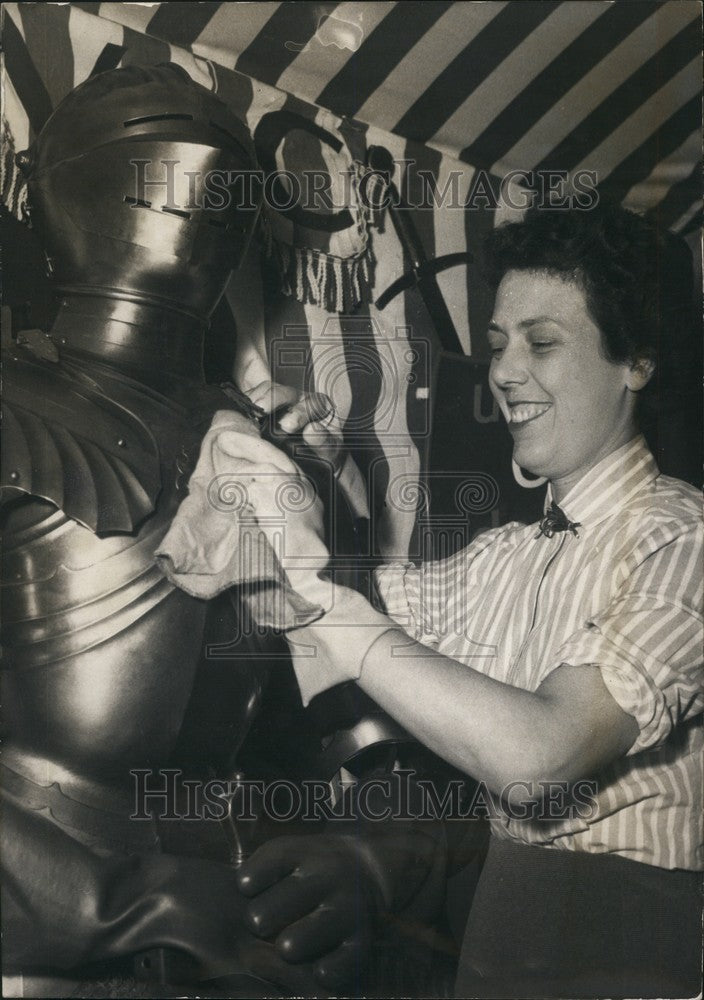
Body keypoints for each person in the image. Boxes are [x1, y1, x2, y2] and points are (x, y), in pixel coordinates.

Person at [1, 64, 441, 998]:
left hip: (248, 935)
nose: (188, 198)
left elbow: (363, 729)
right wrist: (120, 904)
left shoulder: (270, 452)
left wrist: (371, 859)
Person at [233, 205, 703, 998]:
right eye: (496, 345)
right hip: (498, 947)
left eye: (541, 343)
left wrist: (322, 598)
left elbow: (540, 760)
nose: (505, 372)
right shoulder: (504, 556)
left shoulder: (684, 540)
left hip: (631, 953)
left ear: (636, 363)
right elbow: (356, 603)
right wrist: (322, 474)